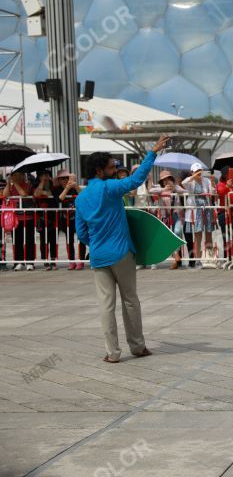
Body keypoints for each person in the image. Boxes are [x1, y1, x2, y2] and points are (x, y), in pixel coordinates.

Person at [75, 135, 170, 363]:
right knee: (130, 300)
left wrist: (96, 243)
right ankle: (137, 347)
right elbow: (136, 179)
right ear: (99, 171)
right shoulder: (109, 188)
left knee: (106, 305)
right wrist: (153, 151)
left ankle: (112, 353)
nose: (115, 169)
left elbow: (81, 233)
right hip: (121, 253)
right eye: (112, 167)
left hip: (98, 256)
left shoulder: (80, 198)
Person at [149, 170, 186, 269]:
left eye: (168, 178)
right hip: (164, 216)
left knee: (177, 231)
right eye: (164, 180)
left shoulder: (175, 187)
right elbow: (150, 191)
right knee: (162, 237)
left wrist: (175, 188)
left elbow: (185, 191)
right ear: (161, 181)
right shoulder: (160, 188)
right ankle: (158, 260)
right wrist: (163, 189)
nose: (166, 181)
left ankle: (175, 256)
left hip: (176, 215)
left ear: (171, 179)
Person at [182, 163, 215, 269]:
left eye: (200, 170)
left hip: (207, 209)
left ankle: (210, 259)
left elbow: (213, 192)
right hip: (195, 211)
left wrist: (213, 182)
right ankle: (198, 260)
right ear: (192, 172)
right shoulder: (190, 181)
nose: (199, 173)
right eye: (196, 171)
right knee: (198, 235)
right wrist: (194, 176)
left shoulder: (207, 181)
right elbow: (184, 183)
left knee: (209, 233)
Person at [53, 170, 86, 270]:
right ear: (58, 180)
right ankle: (71, 261)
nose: (65, 180)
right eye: (62, 178)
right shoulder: (57, 189)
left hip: (78, 218)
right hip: (65, 219)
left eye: (67, 178)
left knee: (81, 240)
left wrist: (75, 186)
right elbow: (59, 199)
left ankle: (81, 260)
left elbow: (84, 195)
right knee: (69, 240)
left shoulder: (75, 187)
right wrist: (67, 189)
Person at [3, 170, 35, 270]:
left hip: (27, 217)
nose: (16, 177)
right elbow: (5, 195)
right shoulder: (11, 186)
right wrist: (8, 183)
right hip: (16, 218)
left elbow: (24, 194)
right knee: (17, 240)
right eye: (14, 176)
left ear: (22, 175)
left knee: (29, 239)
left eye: (18, 175)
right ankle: (18, 261)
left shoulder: (27, 184)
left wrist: (16, 183)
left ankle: (30, 262)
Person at [34, 170, 58, 270]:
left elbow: (53, 193)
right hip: (42, 218)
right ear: (39, 177)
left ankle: (53, 260)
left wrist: (47, 188)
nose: (46, 177)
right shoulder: (37, 185)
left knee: (53, 239)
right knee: (43, 240)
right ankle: (45, 260)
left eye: (47, 175)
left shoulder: (53, 185)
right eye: (43, 176)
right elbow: (36, 194)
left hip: (53, 216)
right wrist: (42, 184)